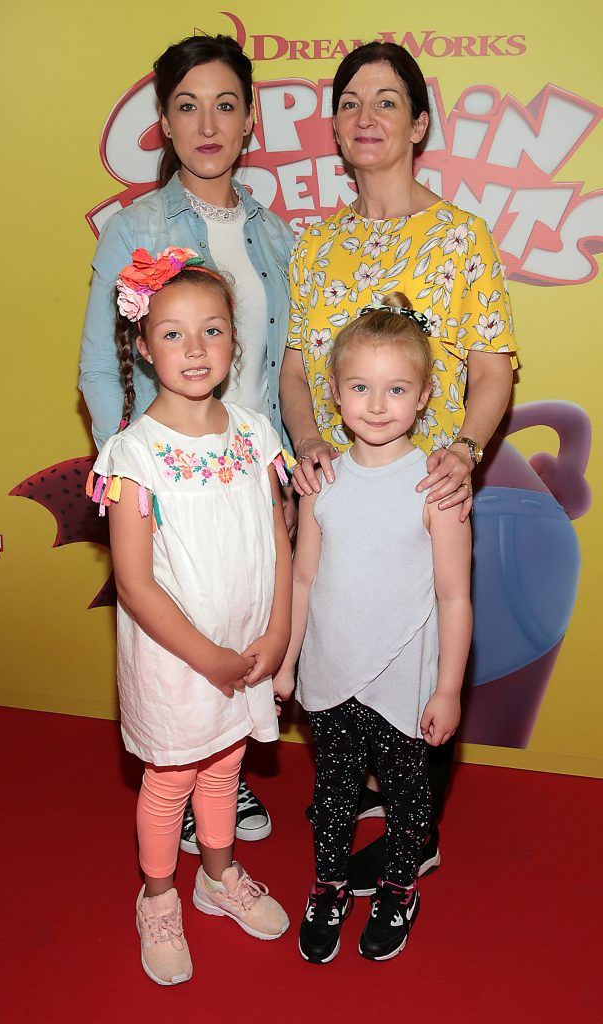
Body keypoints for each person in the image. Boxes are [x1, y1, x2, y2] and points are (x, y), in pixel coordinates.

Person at [278, 41, 517, 886]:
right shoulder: (314, 247)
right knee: (339, 640)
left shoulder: (461, 239)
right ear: (335, 128)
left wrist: (463, 448)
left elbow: (492, 367)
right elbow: (298, 368)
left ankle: (419, 828)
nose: (365, 117)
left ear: (418, 124)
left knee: (422, 653)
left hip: (425, 495)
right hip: (338, 501)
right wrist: (308, 440)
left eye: (386, 102)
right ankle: (359, 780)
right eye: (350, 102)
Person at [80, 34, 295, 844]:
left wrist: (286, 471)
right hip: (167, 483)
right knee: (182, 633)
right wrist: (135, 478)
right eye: (186, 105)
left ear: (249, 121)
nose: (207, 122)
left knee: (247, 616)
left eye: (226, 103)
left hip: (249, 471)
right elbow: (102, 368)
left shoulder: (278, 236)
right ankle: (186, 808)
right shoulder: (134, 226)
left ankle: (227, 775)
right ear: (164, 124)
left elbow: (287, 370)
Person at [88, 247, 292, 985]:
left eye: (212, 329)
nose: (195, 348)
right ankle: (158, 895)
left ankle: (218, 876)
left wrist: (277, 633)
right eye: (172, 333)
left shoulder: (256, 436)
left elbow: (276, 538)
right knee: (171, 779)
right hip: (177, 662)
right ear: (142, 347)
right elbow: (137, 584)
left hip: (248, 651)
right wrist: (206, 657)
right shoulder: (133, 457)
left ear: (236, 341)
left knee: (226, 765)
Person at [273, 294, 472, 963]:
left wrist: (447, 690)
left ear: (423, 397)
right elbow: (302, 580)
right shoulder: (320, 480)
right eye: (361, 387)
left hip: (405, 684)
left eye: (396, 389)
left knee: (410, 802)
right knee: (331, 795)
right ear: (333, 392)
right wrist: (286, 662)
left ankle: (395, 889)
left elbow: (453, 596)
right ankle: (328, 885)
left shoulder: (437, 485)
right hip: (330, 678)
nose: (378, 405)